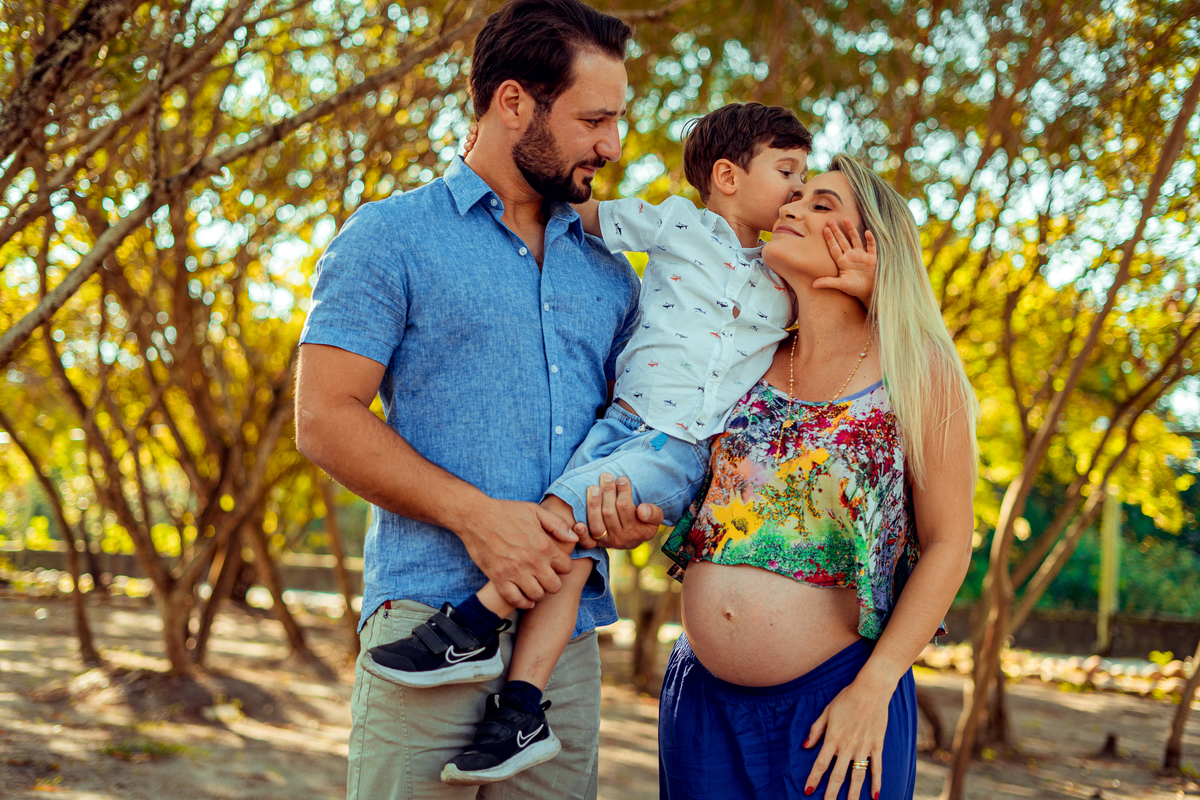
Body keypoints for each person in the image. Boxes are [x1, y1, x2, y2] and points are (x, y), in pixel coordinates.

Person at [368, 103, 877, 785]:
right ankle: (521, 706)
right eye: (787, 172)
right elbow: (566, 218)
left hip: (681, 446)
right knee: (573, 544)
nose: (795, 189)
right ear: (726, 176)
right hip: (622, 421)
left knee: (560, 514)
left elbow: (835, 355)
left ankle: (470, 625)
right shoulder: (675, 224)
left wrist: (867, 292)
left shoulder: (783, 282)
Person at [293, 2, 666, 798]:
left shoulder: (614, 273)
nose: (613, 145)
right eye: (594, 119)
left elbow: (635, 429)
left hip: (562, 654)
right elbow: (324, 418)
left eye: (619, 120)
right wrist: (478, 518)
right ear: (512, 103)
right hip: (427, 623)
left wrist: (628, 515)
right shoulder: (388, 237)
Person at [657, 156, 979, 800]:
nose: (790, 208)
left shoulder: (918, 374)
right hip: (699, 703)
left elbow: (949, 543)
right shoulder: (743, 356)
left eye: (822, 203)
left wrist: (876, 685)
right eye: (793, 197)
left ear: (871, 246)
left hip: (838, 704)